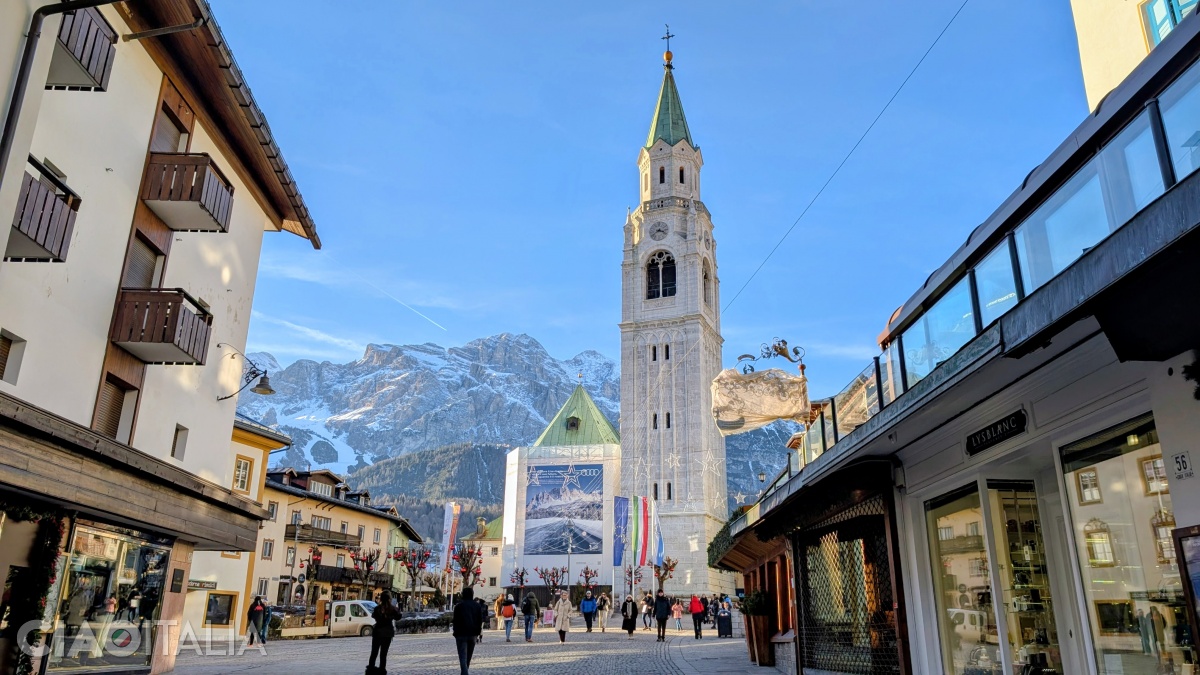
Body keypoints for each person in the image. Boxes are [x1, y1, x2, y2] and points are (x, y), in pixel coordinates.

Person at [453, 588, 484, 675]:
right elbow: (480, 620)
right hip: (473, 633)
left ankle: (464, 672)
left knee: (462, 656)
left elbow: (455, 620)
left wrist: (455, 632)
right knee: (468, 657)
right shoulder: (477, 606)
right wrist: (478, 632)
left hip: (461, 634)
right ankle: (465, 672)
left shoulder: (459, 606)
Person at [367, 591, 398, 675]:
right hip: (387, 633)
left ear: (381, 599)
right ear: (389, 599)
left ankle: (370, 671)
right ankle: (382, 671)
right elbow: (398, 616)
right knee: (383, 654)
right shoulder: (392, 609)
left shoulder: (377, 608)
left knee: (374, 653)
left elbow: (374, 616)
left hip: (378, 632)